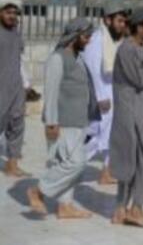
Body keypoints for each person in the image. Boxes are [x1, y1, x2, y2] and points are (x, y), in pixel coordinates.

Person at [26, 18, 98, 219]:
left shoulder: (77, 58)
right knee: (76, 163)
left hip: (78, 120)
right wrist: (51, 122)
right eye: (86, 36)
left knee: (66, 163)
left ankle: (65, 206)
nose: (88, 41)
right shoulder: (57, 58)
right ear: (75, 36)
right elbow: (51, 91)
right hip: (63, 122)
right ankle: (38, 191)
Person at [109, 6, 143, 228]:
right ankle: (136, 209)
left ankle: (120, 210)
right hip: (132, 116)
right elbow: (140, 80)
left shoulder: (135, 48)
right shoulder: (128, 49)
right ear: (139, 27)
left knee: (132, 162)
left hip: (138, 113)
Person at [84, 2, 128, 185]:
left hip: (113, 96)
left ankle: (106, 173)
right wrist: (100, 98)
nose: (122, 25)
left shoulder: (113, 40)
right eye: (119, 21)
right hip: (101, 99)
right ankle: (66, 167)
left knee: (113, 136)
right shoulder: (97, 41)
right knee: (95, 137)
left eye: (124, 22)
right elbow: (93, 71)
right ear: (107, 20)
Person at [0, 0, 29, 177]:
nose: (12, 16)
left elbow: (20, 60)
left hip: (16, 86)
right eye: (8, 12)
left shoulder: (17, 34)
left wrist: (26, 83)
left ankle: (12, 166)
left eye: (15, 13)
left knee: (17, 124)